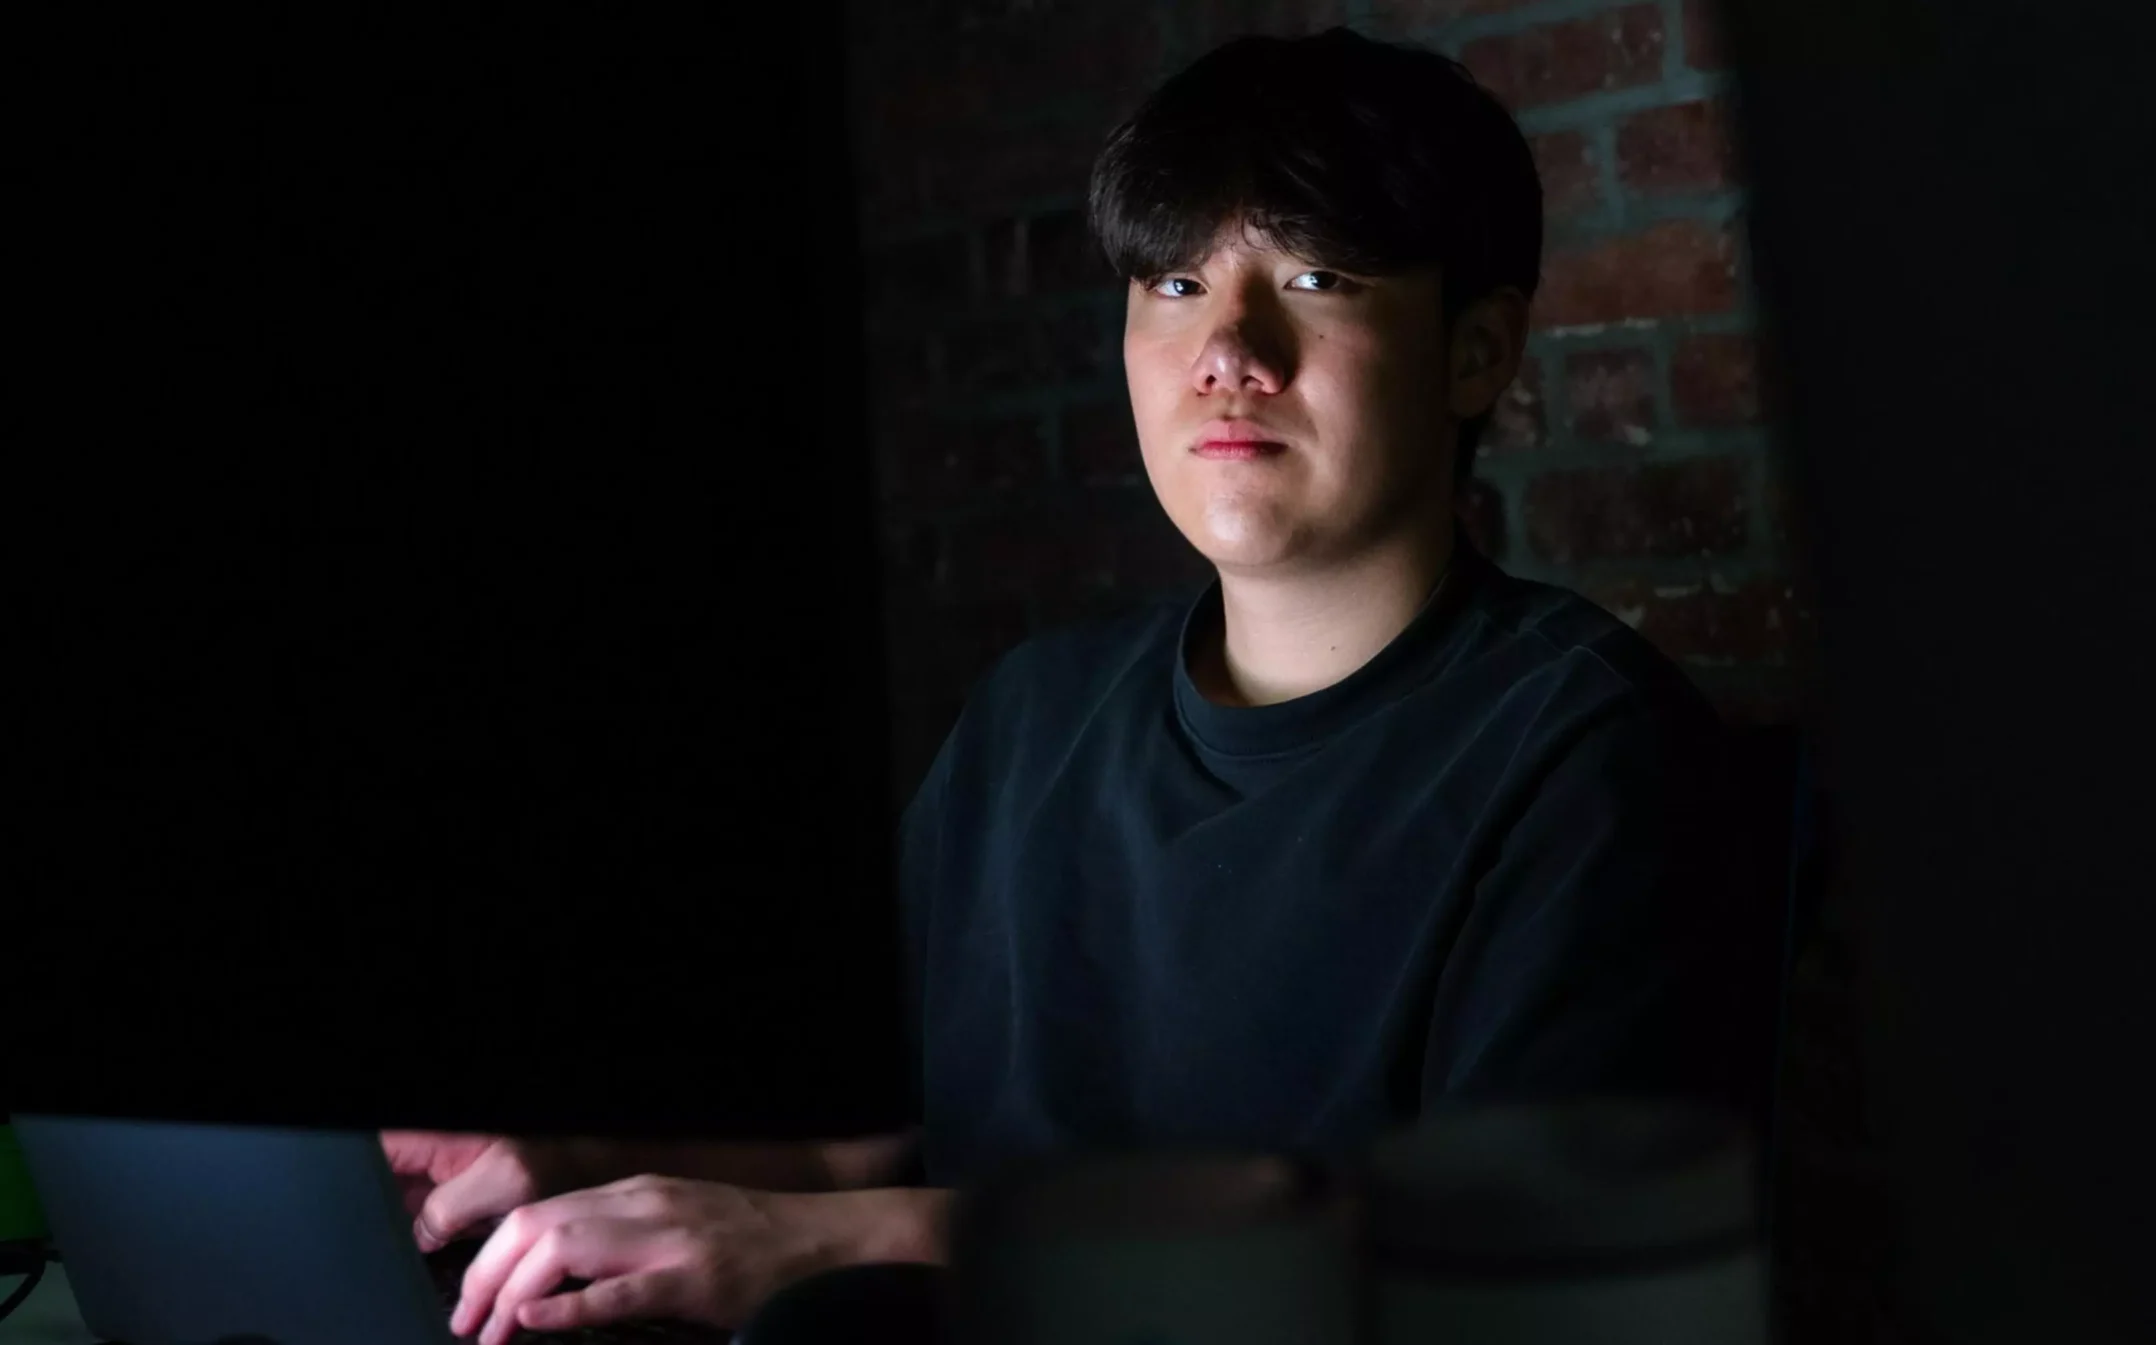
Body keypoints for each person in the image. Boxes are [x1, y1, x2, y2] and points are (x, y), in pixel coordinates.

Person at [412, 27, 1788, 1344]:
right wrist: (573, 1159)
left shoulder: (1588, 758)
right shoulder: (1036, 718)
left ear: (1478, 349)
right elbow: (858, 1134)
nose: (1228, 355)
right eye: (1176, 285)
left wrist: (838, 1242)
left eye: (1315, 281)